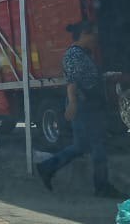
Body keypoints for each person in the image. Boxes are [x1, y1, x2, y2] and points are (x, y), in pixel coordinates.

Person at [36, 21, 124, 198]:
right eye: (94, 35)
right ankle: (102, 186)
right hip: (86, 107)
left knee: (81, 146)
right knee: (98, 147)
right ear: (84, 34)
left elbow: (87, 78)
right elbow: (72, 84)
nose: (96, 39)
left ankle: (48, 167)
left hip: (89, 107)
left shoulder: (83, 54)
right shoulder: (74, 55)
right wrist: (73, 104)